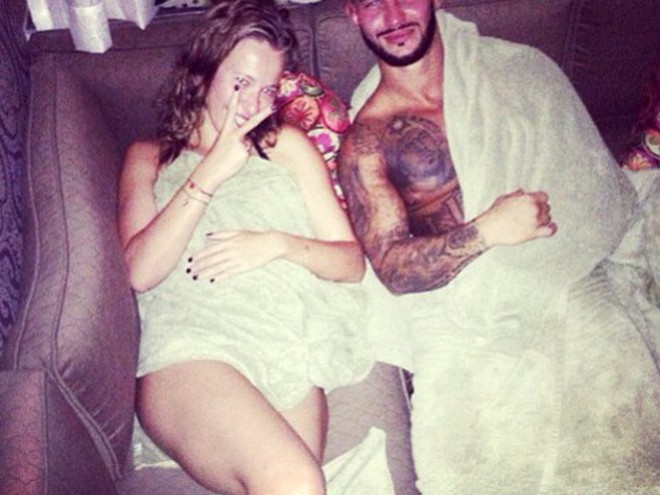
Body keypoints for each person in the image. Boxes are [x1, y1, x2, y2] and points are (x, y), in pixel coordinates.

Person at [339, 0, 660, 493]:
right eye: (371, 2)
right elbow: (392, 267)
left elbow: (589, 190)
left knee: (626, 425)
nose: (393, 14)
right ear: (352, 15)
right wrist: (488, 230)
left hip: (568, 273)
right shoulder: (367, 141)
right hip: (464, 314)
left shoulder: (521, 70)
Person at [117, 1, 373, 494]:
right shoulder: (149, 157)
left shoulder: (287, 146)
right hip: (192, 350)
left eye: (268, 89)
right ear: (203, 74)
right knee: (296, 480)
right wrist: (211, 171)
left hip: (285, 345)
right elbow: (140, 272)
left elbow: (350, 262)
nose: (254, 105)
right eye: (240, 83)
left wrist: (277, 245)